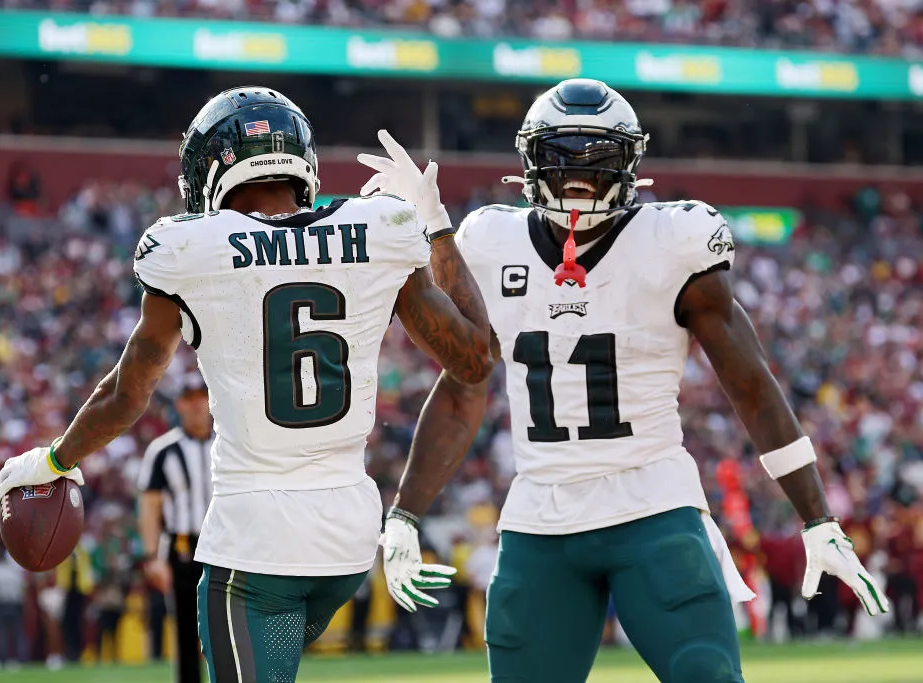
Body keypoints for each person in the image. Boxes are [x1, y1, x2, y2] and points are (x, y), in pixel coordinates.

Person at [377, 78, 890, 682]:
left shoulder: (671, 243)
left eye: (596, 163)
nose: (579, 179)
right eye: (564, 160)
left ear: (629, 167)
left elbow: (751, 385)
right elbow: (465, 384)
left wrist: (817, 516)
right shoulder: (491, 241)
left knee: (706, 675)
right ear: (531, 163)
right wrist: (405, 514)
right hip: (541, 516)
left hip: (652, 506)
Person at [0, 86, 494, 683]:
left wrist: (54, 459)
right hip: (348, 538)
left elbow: (128, 393)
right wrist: (436, 225)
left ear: (209, 170)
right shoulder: (379, 228)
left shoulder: (188, 248)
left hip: (256, 540)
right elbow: (475, 360)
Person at [137, 372, 214, 683]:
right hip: (182, 546)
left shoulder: (228, 444)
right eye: (190, 400)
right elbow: (150, 505)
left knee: (227, 626)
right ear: (180, 404)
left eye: (201, 399)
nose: (196, 406)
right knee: (185, 627)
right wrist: (152, 555)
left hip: (225, 543)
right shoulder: (163, 450)